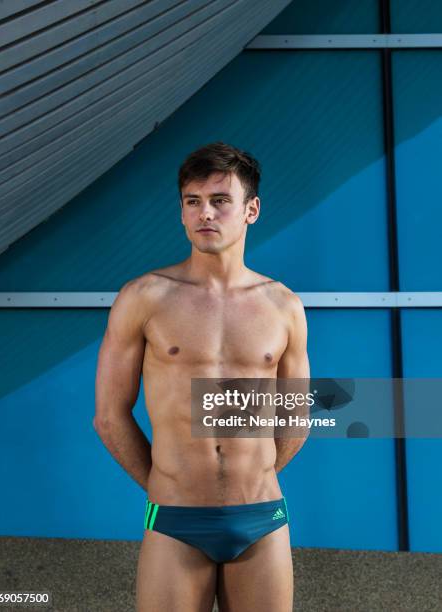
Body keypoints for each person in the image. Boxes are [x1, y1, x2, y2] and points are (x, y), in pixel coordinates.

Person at [94, 141, 310, 611]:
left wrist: (255, 473)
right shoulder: (145, 297)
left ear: (251, 209)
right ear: (182, 212)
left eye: (219, 201)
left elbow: (296, 417)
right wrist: (164, 482)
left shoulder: (284, 306)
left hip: (261, 516)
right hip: (175, 516)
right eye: (193, 202)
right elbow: (110, 415)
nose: (204, 214)